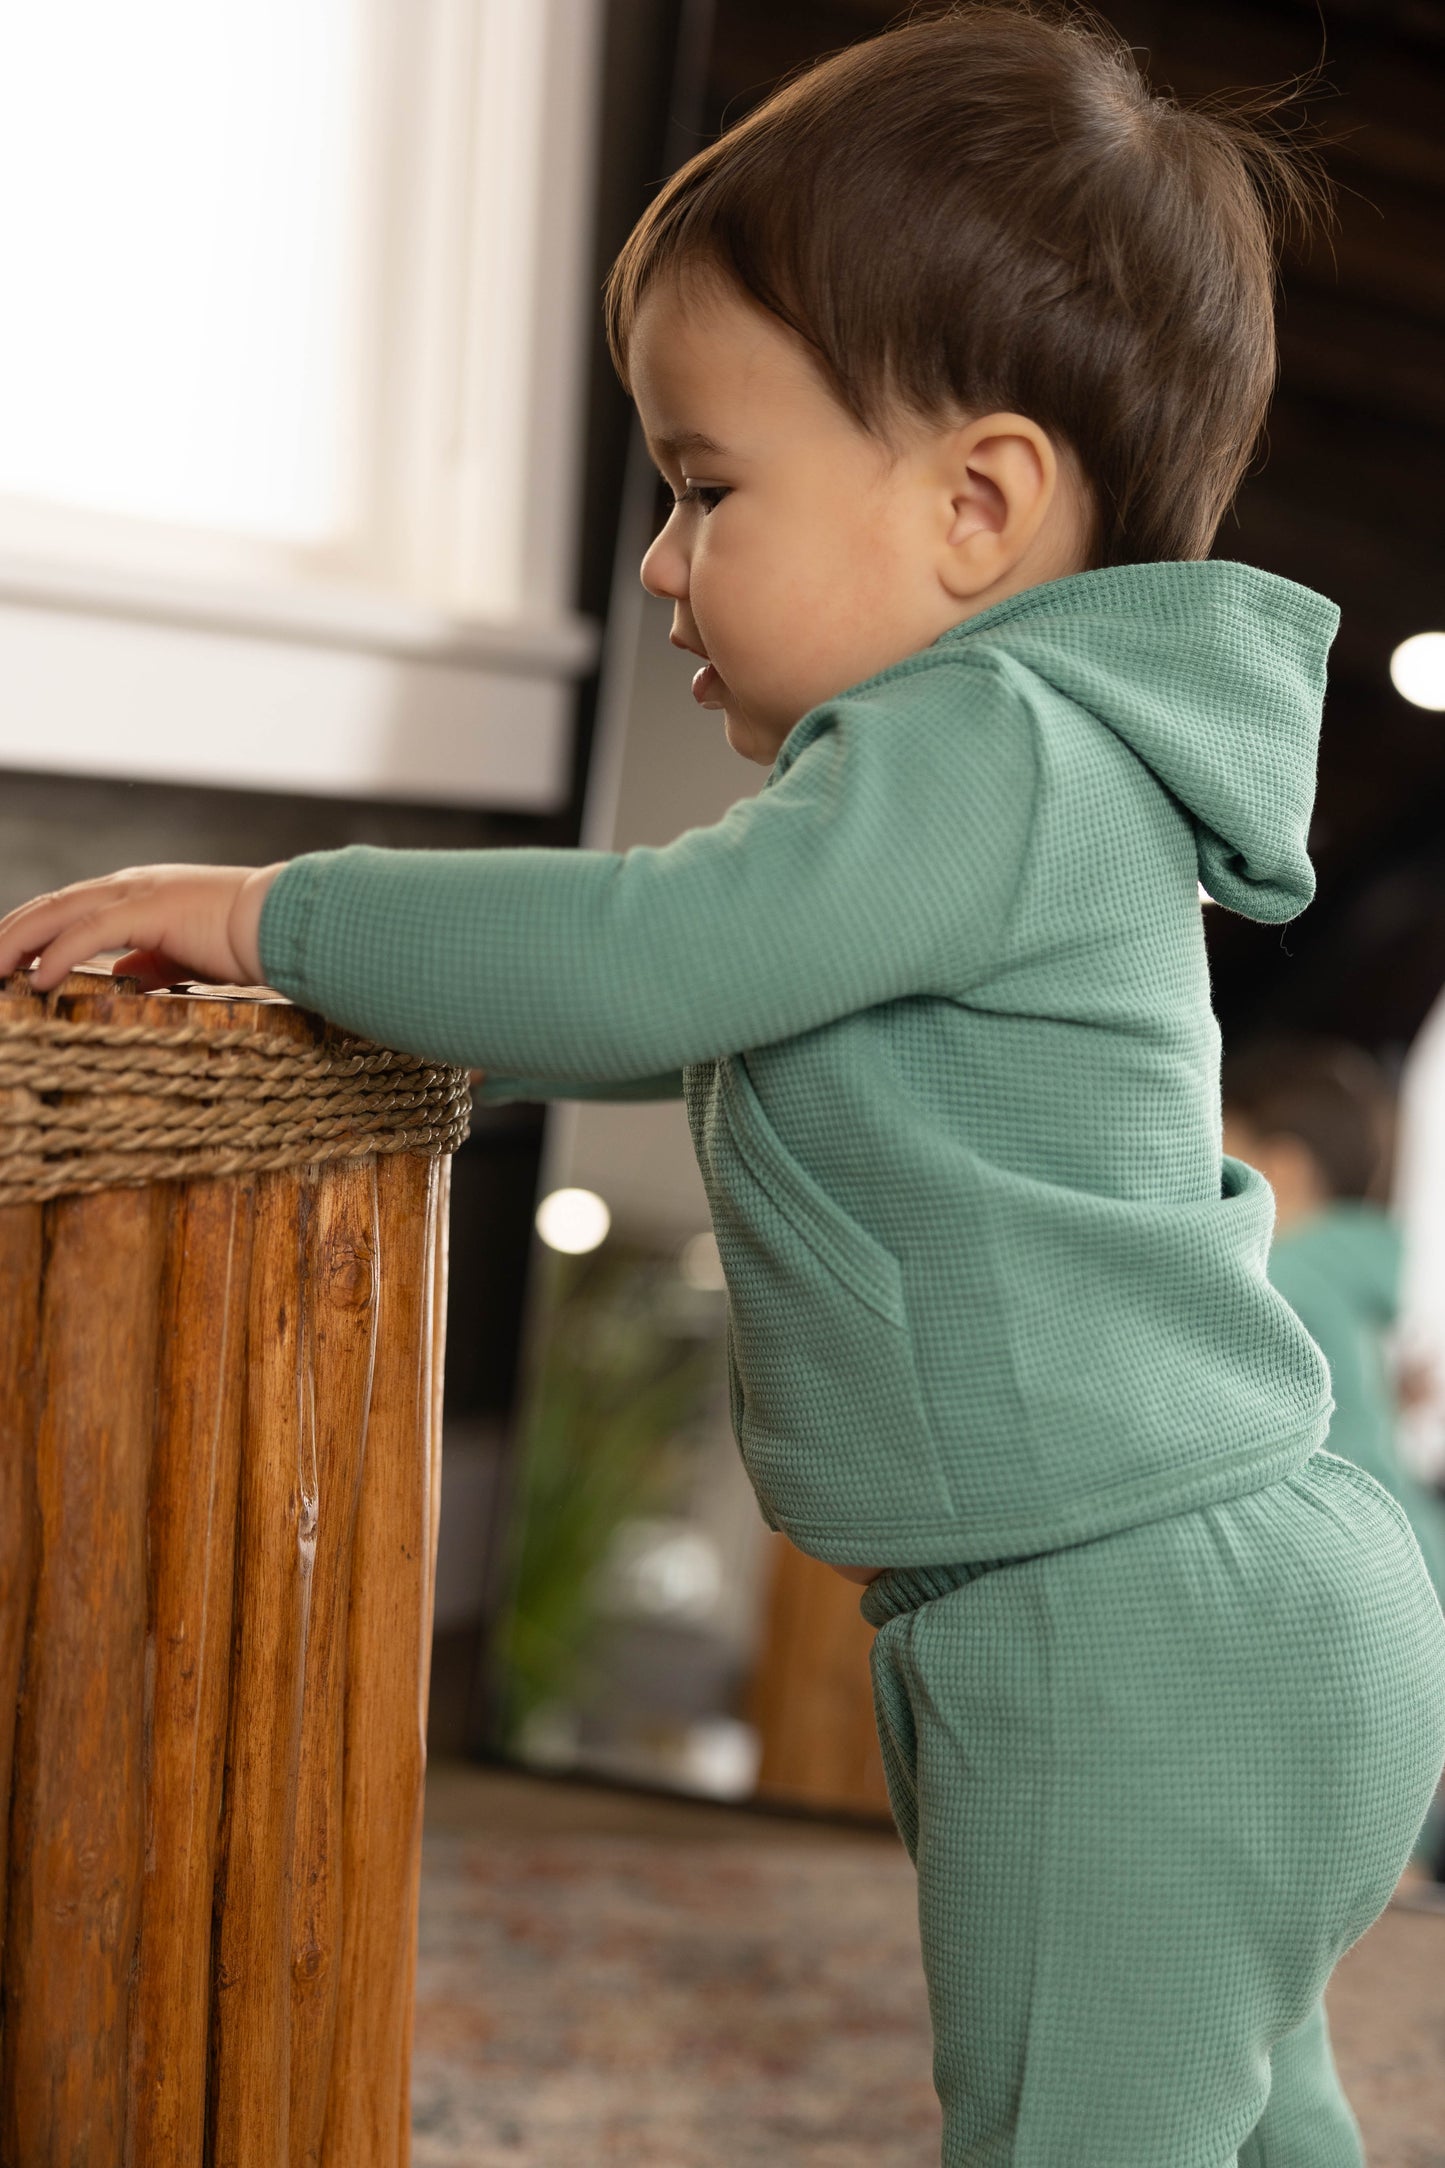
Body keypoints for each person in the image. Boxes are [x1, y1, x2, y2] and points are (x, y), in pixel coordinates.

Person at [4, 6, 1443, 2160]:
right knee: (1247, 2111)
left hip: (1123, 1624)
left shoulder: (982, 741)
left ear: (981, 505)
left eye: (704, 487)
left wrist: (274, 912)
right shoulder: (1071, 771)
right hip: (1254, 1587)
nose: (664, 562)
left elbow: (649, 954)